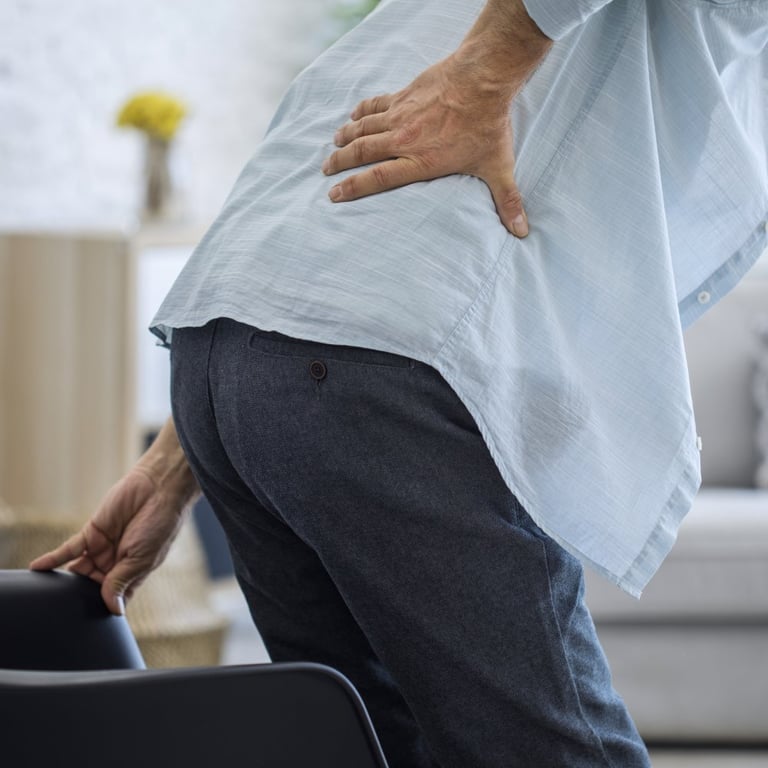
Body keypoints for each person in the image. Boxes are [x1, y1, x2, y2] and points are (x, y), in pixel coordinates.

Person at [31, 0, 767, 765]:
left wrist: (175, 457)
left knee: (368, 746)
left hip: (232, 350)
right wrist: (483, 79)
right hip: (384, 367)